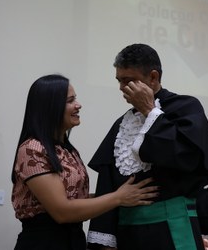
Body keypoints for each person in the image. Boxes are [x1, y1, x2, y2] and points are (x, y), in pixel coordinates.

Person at [86, 43, 208, 250]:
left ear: (153, 77)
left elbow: (185, 159)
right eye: (119, 81)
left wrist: (149, 111)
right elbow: (107, 184)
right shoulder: (121, 124)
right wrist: (105, 240)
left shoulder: (186, 107)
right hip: (127, 234)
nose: (121, 88)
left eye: (128, 80)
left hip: (173, 229)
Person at [10, 74, 159, 250]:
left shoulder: (68, 150)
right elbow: (62, 211)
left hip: (74, 240)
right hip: (44, 243)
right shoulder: (32, 149)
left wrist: (121, 195)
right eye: (70, 100)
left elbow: (75, 200)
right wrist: (118, 198)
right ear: (50, 107)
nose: (78, 105)